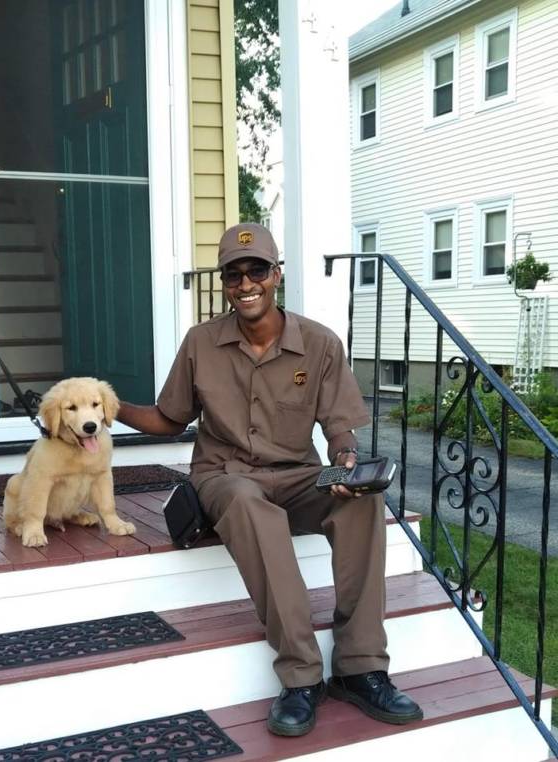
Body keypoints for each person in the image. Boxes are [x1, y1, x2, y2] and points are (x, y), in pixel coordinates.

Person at [117, 223, 423, 736]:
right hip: (225, 476)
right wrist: (107, 404)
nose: (245, 283)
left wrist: (346, 461)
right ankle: (302, 676)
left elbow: (340, 427)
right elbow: (169, 419)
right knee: (248, 501)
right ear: (225, 285)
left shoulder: (320, 344)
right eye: (233, 275)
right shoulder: (201, 344)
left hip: (298, 473)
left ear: (276, 274)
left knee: (362, 501)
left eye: (256, 269)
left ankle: (361, 666)